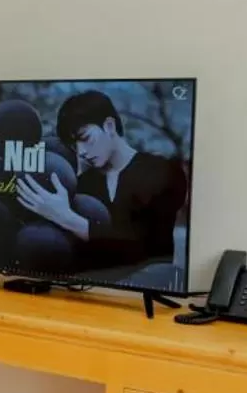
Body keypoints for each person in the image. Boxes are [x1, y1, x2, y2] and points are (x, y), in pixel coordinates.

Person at [14, 89, 188, 273]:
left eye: (85, 138)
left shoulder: (163, 171)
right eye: (74, 146)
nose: (81, 151)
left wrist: (66, 218)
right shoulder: (84, 184)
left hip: (144, 288)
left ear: (110, 126)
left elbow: (145, 248)